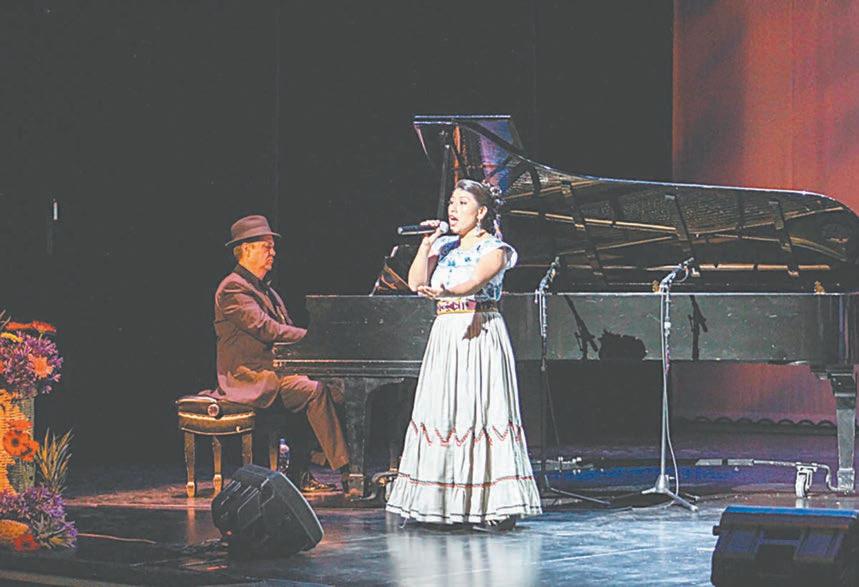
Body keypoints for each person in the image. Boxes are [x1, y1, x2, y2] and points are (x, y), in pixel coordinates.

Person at [386, 179, 542, 529]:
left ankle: (492, 506)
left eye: (462, 203)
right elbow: (414, 282)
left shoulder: (497, 250)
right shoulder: (444, 247)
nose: (453, 210)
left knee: (479, 412)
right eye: (451, 203)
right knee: (444, 412)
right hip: (446, 334)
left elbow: (472, 283)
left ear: (481, 212)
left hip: (478, 331)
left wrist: (444, 291)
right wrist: (426, 243)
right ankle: (440, 504)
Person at [202, 215, 350, 493]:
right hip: (251, 377)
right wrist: (314, 337)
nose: (273, 252)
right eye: (266, 247)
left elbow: (285, 328)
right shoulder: (233, 288)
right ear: (246, 249)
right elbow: (266, 328)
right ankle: (347, 472)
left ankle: (302, 470)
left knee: (339, 389)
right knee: (313, 391)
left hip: (276, 372)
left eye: (273, 247)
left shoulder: (266, 290)